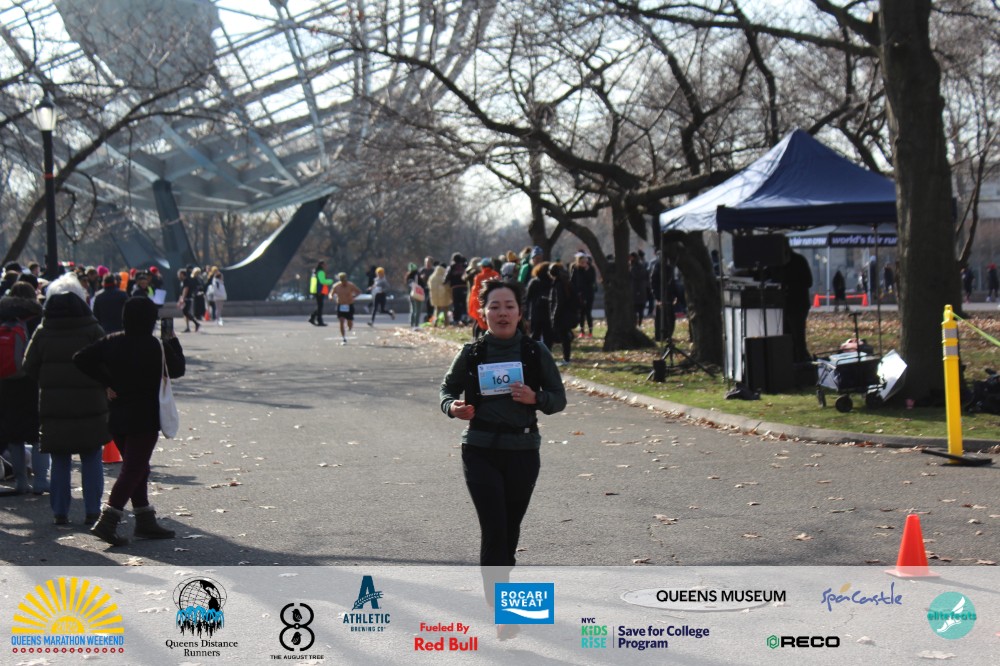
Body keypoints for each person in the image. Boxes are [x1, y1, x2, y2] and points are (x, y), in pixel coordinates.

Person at [439, 280, 566, 627]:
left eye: (509, 306)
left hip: (523, 451)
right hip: (479, 449)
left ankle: (501, 597)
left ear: (520, 312)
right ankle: (503, 613)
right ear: (483, 313)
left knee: (509, 532)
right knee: (494, 529)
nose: (502, 313)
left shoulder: (535, 352)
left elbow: (558, 398)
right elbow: (447, 390)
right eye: (494, 307)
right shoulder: (472, 353)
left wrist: (536, 398)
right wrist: (453, 408)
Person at [74, 297, 185, 545]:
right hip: (145, 416)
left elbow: (80, 358)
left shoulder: (112, 340)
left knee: (138, 467)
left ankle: (145, 519)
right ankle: (109, 519)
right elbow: (178, 370)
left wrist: (106, 382)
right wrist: (171, 340)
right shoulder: (155, 346)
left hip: (117, 414)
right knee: (134, 468)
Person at [21, 274, 108, 526]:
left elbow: (28, 365)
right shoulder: (92, 328)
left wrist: (47, 380)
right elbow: (106, 362)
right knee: (91, 456)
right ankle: (93, 510)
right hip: (91, 403)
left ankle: (60, 511)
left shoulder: (43, 331)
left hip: (54, 404)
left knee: (60, 458)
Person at [0, 282, 48, 494]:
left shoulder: (2, 314)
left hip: (5, 380)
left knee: (14, 434)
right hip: (31, 380)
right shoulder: (37, 316)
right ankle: (41, 481)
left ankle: (21, 482)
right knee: (38, 433)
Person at [548, 263, 578, 365]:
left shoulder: (558, 285)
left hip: (561, 316)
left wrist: (554, 316)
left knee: (563, 337)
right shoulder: (566, 282)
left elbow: (558, 302)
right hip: (567, 314)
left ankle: (566, 359)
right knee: (565, 337)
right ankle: (566, 358)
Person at [569, 252, 597, 338]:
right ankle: (582, 332)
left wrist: (587, 270)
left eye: (584, 261)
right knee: (581, 313)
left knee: (588, 313)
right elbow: (572, 281)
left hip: (589, 294)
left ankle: (590, 332)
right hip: (579, 294)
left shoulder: (590, 269)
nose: (583, 263)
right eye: (581, 262)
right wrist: (575, 292)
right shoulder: (575, 269)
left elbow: (592, 281)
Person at [331, 272, 362, 344]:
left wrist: (354, 296)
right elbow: (331, 293)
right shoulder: (336, 286)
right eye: (342, 281)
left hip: (349, 305)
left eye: (344, 280)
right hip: (340, 305)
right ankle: (343, 338)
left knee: (349, 322)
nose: (343, 282)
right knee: (341, 321)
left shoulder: (350, 285)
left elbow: (358, 291)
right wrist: (330, 297)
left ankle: (350, 326)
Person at [308, 261, 334, 326]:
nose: (326, 266)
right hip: (320, 291)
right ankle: (319, 321)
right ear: (322, 265)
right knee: (320, 306)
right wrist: (330, 281)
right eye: (325, 265)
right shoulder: (321, 272)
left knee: (319, 306)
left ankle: (313, 318)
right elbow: (322, 281)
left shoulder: (315, 272)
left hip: (316, 290)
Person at [405, 262, 426, 329]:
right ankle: (416, 325)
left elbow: (409, 286)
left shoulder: (408, 277)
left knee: (412, 310)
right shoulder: (417, 275)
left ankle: (412, 324)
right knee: (418, 311)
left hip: (411, 295)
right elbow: (422, 285)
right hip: (418, 294)